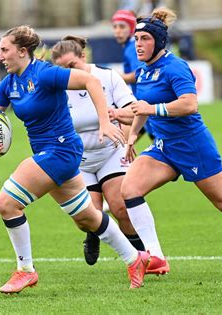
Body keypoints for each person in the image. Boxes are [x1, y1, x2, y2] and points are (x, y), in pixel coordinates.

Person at [0, 25, 151, 294]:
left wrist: (104, 121)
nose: (0, 57)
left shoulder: (45, 74)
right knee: (88, 217)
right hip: (48, 154)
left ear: (22, 51)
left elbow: (90, 82)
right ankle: (134, 258)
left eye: (4, 50)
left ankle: (25, 270)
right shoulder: (9, 84)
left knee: (6, 203)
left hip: (61, 151)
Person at [121, 8, 222, 271]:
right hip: (164, 147)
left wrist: (151, 110)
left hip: (192, 145)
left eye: (145, 40)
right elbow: (142, 107)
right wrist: (131, 138)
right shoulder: (143, 71)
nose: (139, 45)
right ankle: (155, 257)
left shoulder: (175, 67)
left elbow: (189, 105)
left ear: (159, 42)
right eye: (137, 40)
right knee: (129, 189)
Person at [51, 36, 171, 273]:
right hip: (79, 160)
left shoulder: (107, 77)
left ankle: (146, 259)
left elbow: (131, 111)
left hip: (110, 152)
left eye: (71, 66)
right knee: (87, 218)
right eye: (62, 69)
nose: (68, 73)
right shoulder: (57, 87)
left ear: (83, 57)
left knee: (120, 207)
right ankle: (92, 235)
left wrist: (127, 137)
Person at [112, 9, 155, 142]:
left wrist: (114, 77)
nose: (117, 31)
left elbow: (139, 74)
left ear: (131, 28)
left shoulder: (132, 48)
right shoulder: (130, 47)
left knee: (120, 145)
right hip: (141, 104)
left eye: (122, 26)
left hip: (145, 105)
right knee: (122, 145)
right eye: (115, 27)